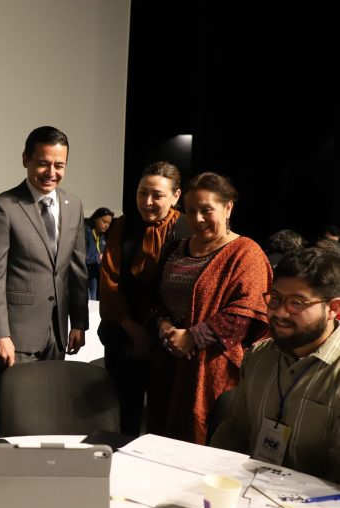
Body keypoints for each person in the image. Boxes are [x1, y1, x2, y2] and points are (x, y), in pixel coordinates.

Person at [0, 126, 88, 434]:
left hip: (57, 332)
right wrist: (0, 333)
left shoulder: (74, 205)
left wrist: (78, 322)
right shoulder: (3, 206)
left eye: (59, 165)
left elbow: (77, 269)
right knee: (15, 418)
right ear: (26, 159)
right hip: (15, 335)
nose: (51, 172)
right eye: (43, 163)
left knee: (49, 415)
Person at [149, 172, 272, 444]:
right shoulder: (175, 249)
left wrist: (192, 337)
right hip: (167, 361)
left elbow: (247, 313)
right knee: (161, 440)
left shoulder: (246, 253)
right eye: (191, 211)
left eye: (206, 210)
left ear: (228, 207)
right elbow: (155, 298)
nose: (197, 219)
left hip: (212, 368)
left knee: (205, 443)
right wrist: (164, 325)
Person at [211, 248, 340, 483]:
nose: (280, 312)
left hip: (312, 501)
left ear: (333, 309)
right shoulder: (259, 356)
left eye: (297, 303)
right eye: (276, 298)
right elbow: (235, 429)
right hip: (247, 489)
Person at [98, 161, 189, 437]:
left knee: (165, 421)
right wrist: (132, 328)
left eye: (157, 195)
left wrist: (162, 329)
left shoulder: (187, 228)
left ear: (175, 196)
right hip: (123, 333)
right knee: (122, 417)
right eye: (142, 193)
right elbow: (109, 281)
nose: (147, 202)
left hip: (170, 341)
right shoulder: (122, 225)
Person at [85, 207, 114, 300]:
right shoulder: (84, 231)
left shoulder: (101, 235)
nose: (107, 225)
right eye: (104, 221)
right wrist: (99, 257)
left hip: (93, 273)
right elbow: (82, 256)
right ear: (95, 219)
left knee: (93, 300)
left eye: (109, 223)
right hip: (83, 274)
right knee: (86, 302)